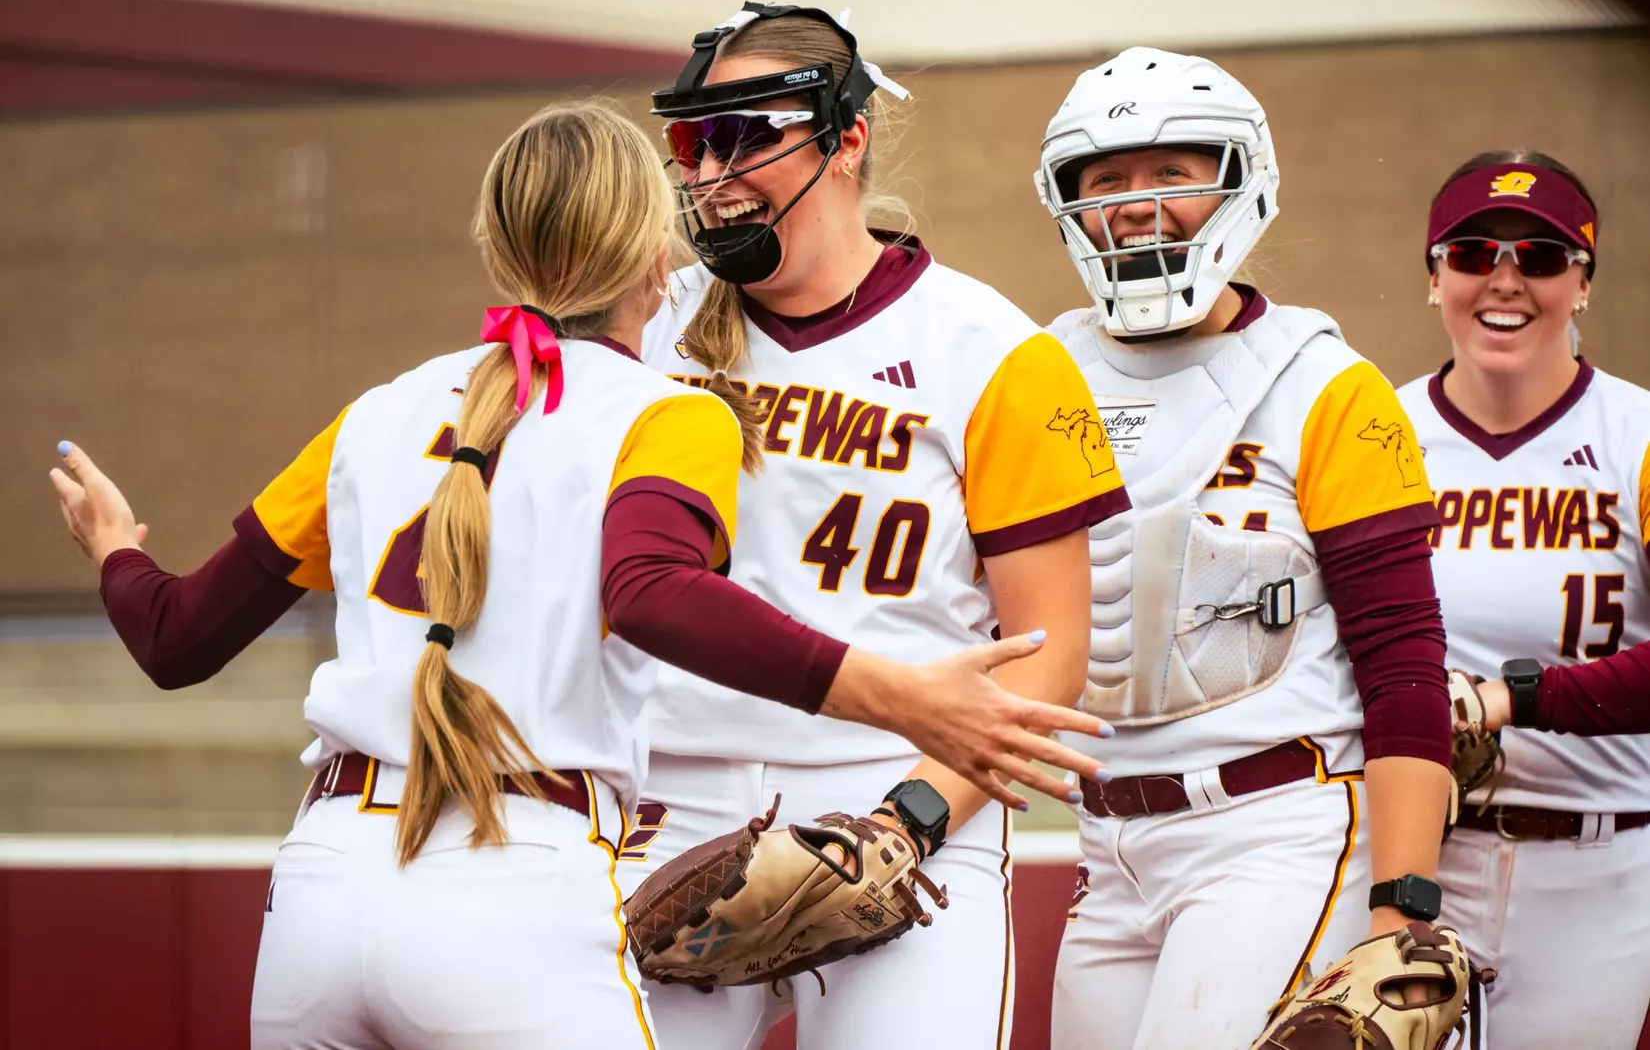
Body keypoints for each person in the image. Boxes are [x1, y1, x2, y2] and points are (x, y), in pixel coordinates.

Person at [47, 101, 1111, 1050]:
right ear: (659, 251)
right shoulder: (665, 409)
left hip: (320, 891)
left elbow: (176, 635)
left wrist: (114, 547)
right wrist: (905, 692)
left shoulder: (380, 410)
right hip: (519, 884)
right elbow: (649, 587)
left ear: (490, 244)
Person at [623, 3, 1128, 1050]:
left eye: (752, 133)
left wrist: (908, 822)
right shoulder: (645, 322)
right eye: (696, 139)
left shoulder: (994, 348)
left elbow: (1050, 651)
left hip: (895, 807)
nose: (717, 167)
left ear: (846, 136)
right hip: (662, 798)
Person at [1037, 48, 1455, 1049]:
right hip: (1110, 842)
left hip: (1276, 825)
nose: (1138, 205)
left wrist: (1402, 907)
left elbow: (1402, 655)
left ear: (1239, 180)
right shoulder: (1036, 373)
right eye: (1107, 181)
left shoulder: (1323, 383)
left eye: (1172, 172)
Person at [1396, 149, 1650, 1049]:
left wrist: (1513, 699)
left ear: (1583, 284)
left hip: (1598, 861)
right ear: (1435, 277)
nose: (1505, 281)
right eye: (1471, 253)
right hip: (1413, 858)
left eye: (1540, 259)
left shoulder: (1638, 436)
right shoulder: (1376, 436)